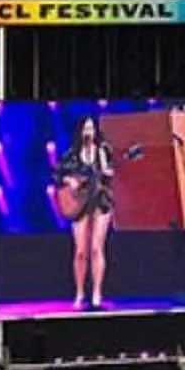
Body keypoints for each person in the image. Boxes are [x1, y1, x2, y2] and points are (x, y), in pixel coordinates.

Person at [47, 113, 119, 310]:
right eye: (86, 129)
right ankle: (79, 293)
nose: (89, 132)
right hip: (80, 203)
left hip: (100, 200)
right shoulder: (72, 154)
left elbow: (109, 174)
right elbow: (56, 173)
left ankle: (97, 293)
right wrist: (69, 180)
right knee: (80, 251)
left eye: (91, 128)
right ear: (80, 132)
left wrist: (107, 171)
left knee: (97, 248)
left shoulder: (103, 151)